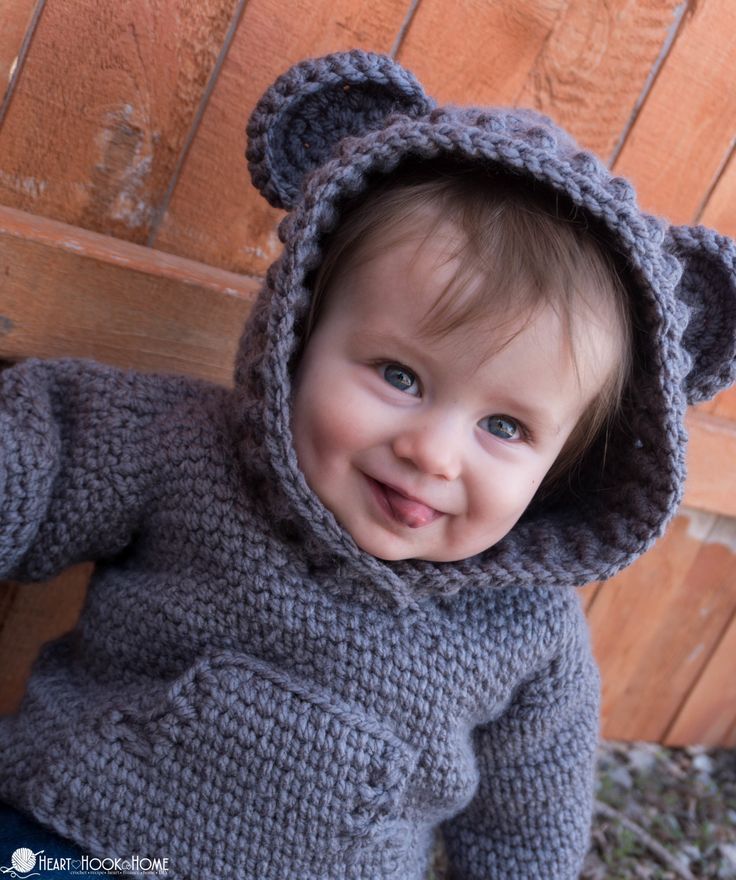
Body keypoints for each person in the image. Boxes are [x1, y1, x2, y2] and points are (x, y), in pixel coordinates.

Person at [0, 50, 734, 880]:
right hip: (75, 838)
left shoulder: (530, 636)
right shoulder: (189, 451)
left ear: (563, 466)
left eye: (504, 425)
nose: (433, 450)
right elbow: (45, 453)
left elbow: (528, 826)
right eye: (399, 376)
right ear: (301, 332)